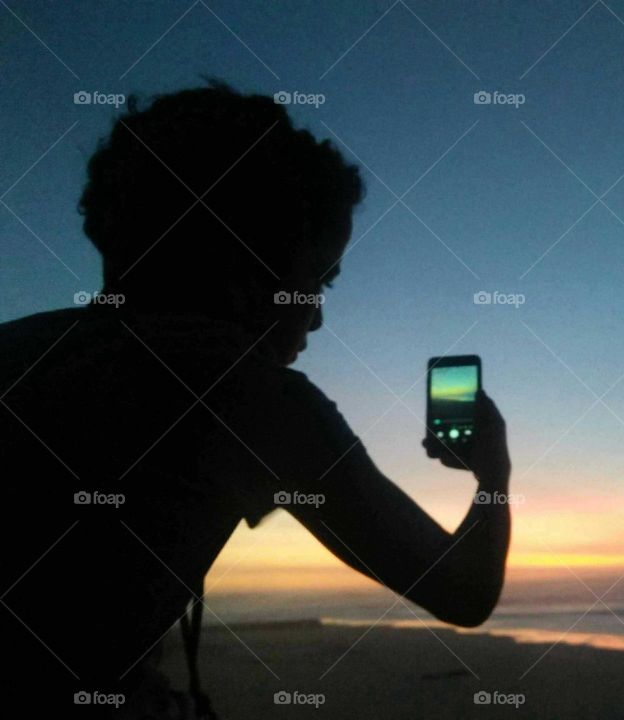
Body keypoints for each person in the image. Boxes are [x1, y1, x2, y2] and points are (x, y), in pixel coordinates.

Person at [0, 81, 511, 718]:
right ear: (243, 266)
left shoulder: (20, 349)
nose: (318, 318)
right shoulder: (247, 397)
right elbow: (463, 592)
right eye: (317, 280)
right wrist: (494, 471)